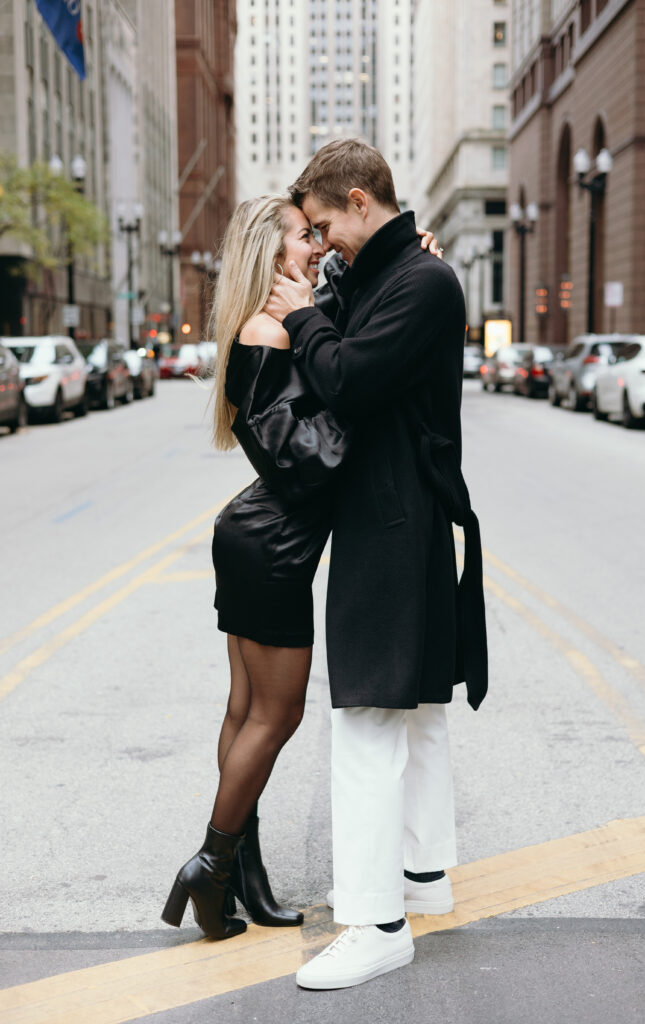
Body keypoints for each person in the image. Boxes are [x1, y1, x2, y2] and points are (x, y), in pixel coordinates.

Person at [160, 194, 441, 940]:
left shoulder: (283, 321)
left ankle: (240, 874)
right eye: (302, 237)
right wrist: (364, 397)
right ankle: (210, 866)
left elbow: (350, 319)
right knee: (275, 716)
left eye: (318, 234)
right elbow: (301, 458)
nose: (315, 246)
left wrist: (406, 256)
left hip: (259, 540)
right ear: (268, 253)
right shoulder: (263, 329)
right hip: (272, 548)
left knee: (243, 712)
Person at [264, 138, 488, 990]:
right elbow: (350, 335)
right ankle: (422, 878)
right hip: (402, 514)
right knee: (418, 707)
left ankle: (375, 919)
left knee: (364, 719)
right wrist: (325, 294)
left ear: (360, 200)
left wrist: (301, 317)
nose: (320, 246)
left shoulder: (421, 282)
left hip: (392, 519)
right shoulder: (395, 272)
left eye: (325, 226)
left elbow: (348, 379)